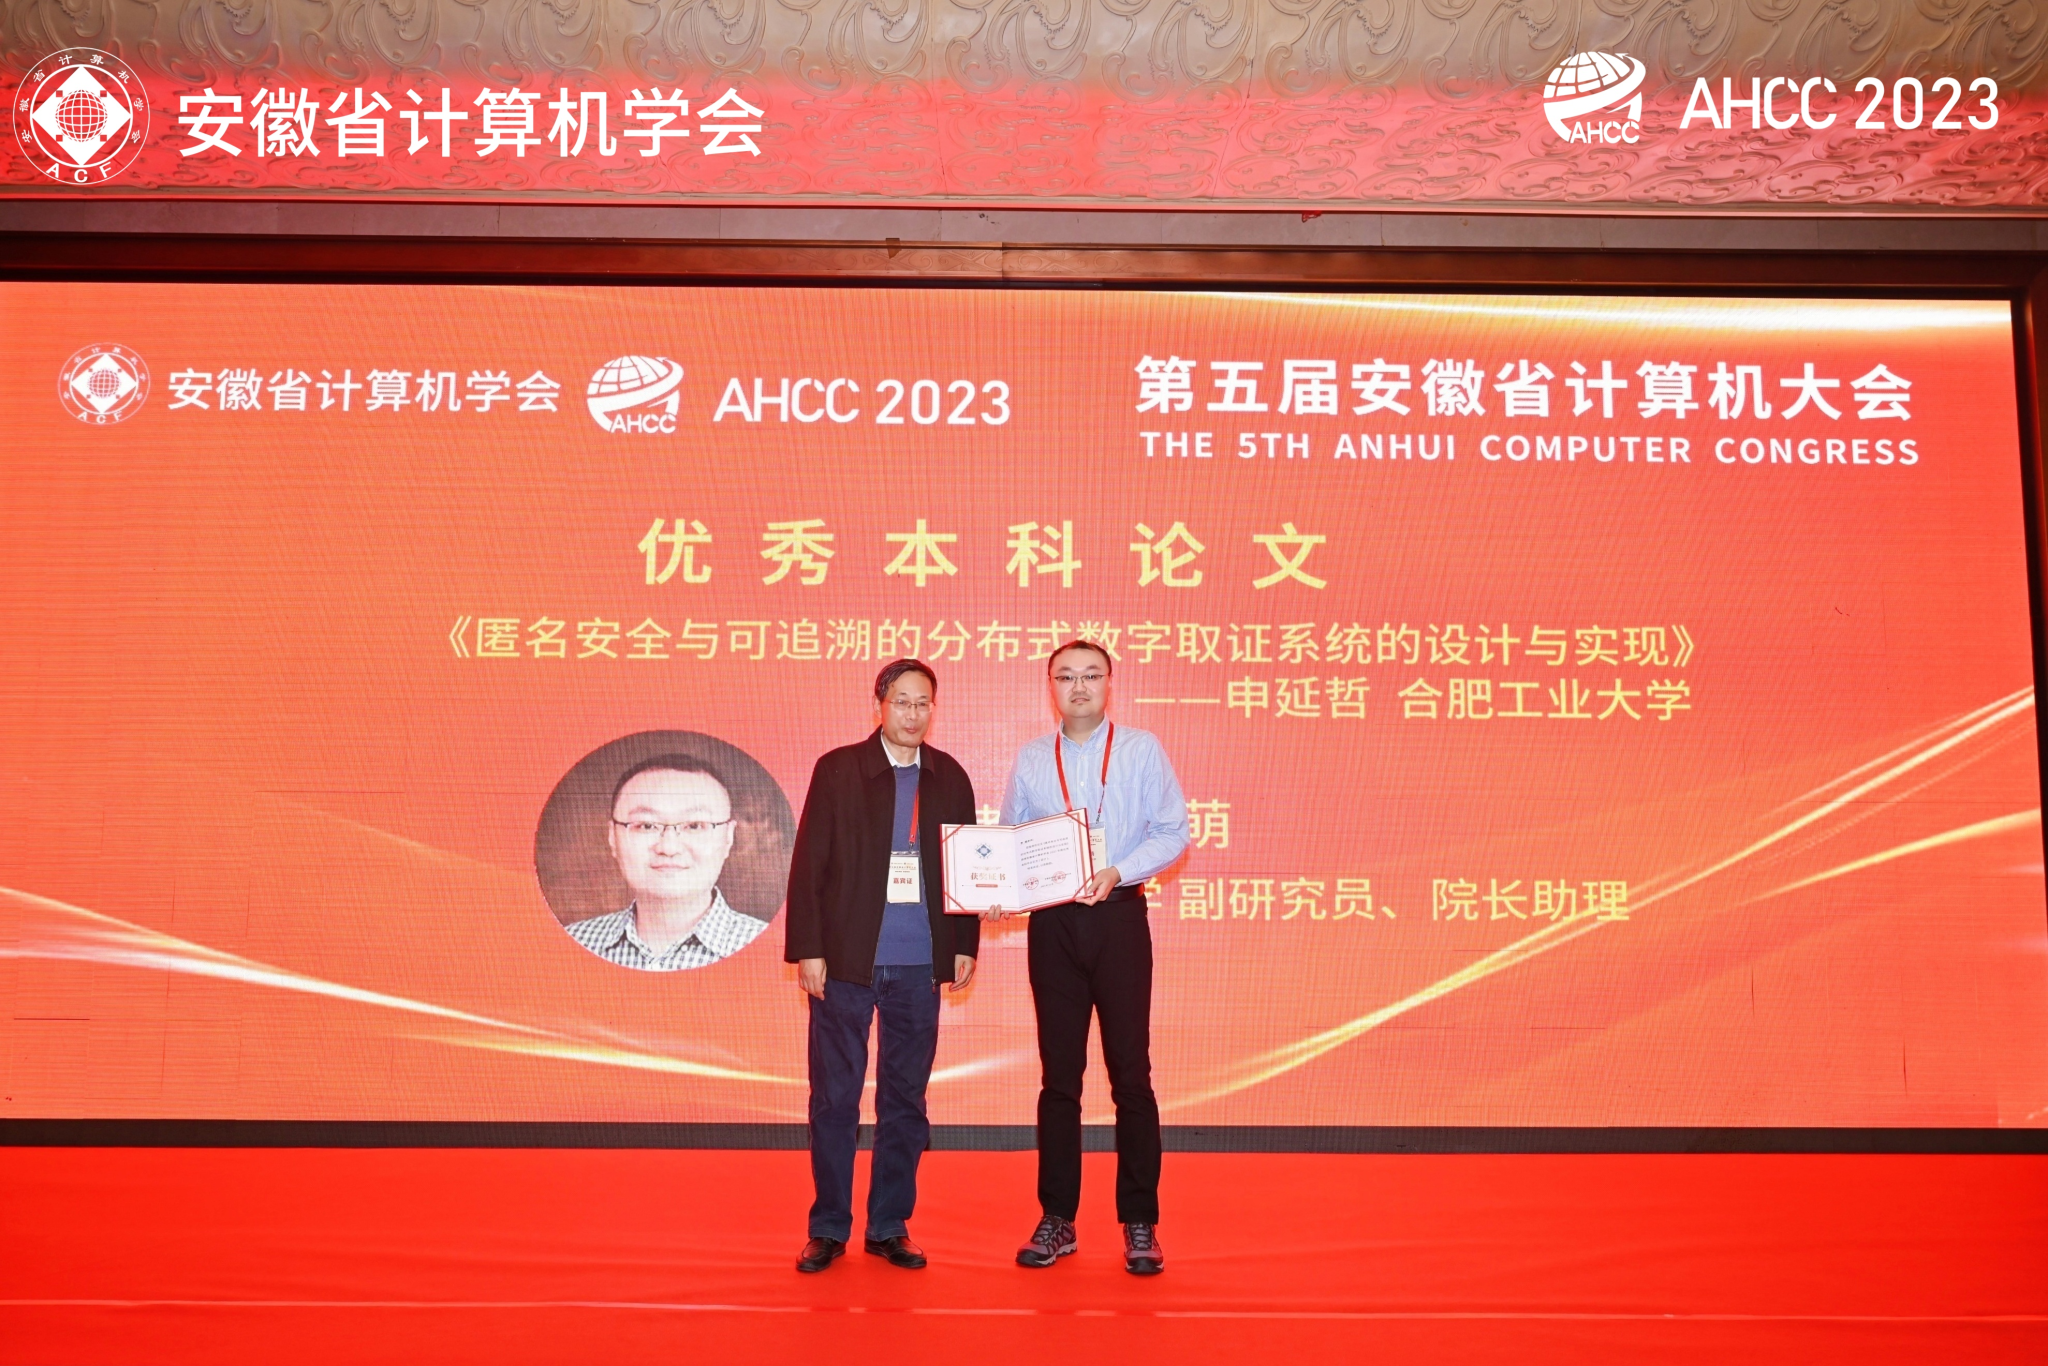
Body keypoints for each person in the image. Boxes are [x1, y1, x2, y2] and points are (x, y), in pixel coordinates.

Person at [784, 658, 980, 1274]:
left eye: (923, 704)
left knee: (906, 1102)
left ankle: (890, 1225)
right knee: (835, 1099)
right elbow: (809, 865)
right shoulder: (838, 769)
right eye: (902, 702)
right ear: (880, 706)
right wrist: (809, 948)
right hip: (846, 962)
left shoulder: (950, 776)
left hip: (919, 964)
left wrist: (965, 942)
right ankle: (828, 1227)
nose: (913, 715)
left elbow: (969, 870)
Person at [1000, 639, 1188, 1275]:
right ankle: (1058, 1219)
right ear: (1050, 686)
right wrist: (997, 889)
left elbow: (1173, 831)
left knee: (1131, 1074)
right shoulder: (1032, 758)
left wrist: (1117, 870)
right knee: (1060, 1079)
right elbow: (1012, 842)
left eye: (1091, 675)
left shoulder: (1141, 749)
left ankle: (1140, 1221)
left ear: (1110, 683)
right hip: (1053, 924)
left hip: (1118, 917)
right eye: (1065, 677)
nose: (1078, 687)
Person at [568, 756, 766, 970]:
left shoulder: (772, 948)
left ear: (728, 837)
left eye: (694, 826)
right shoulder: (572, 944)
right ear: (612, 837)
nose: (669, 848)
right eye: (646, 826)